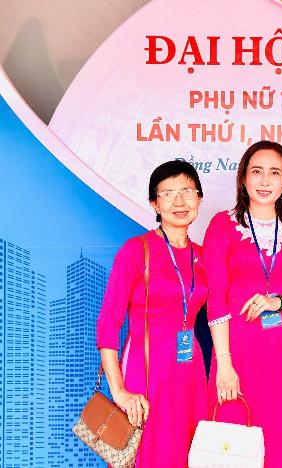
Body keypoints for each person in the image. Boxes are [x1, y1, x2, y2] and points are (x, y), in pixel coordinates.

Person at [202, 140, 282, 468]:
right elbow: (216, 297)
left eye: (275, 173)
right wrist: (224, 364)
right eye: (257, 171)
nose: (265, 180)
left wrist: (280, 302)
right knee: (232, 438)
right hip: (236, 349)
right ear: (243, 178)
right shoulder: (222, 224)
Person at [96, 160, 209, 467]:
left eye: (187, 191)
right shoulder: (137, 250)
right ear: (154, 204)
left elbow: (225, 310)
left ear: (199, 199)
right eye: (168, 193)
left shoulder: (203, 256)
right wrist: (119, 391)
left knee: (189, 452)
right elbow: (108, 324)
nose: (179, 201)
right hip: (146, 370)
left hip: (190, 372)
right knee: (147, 452)